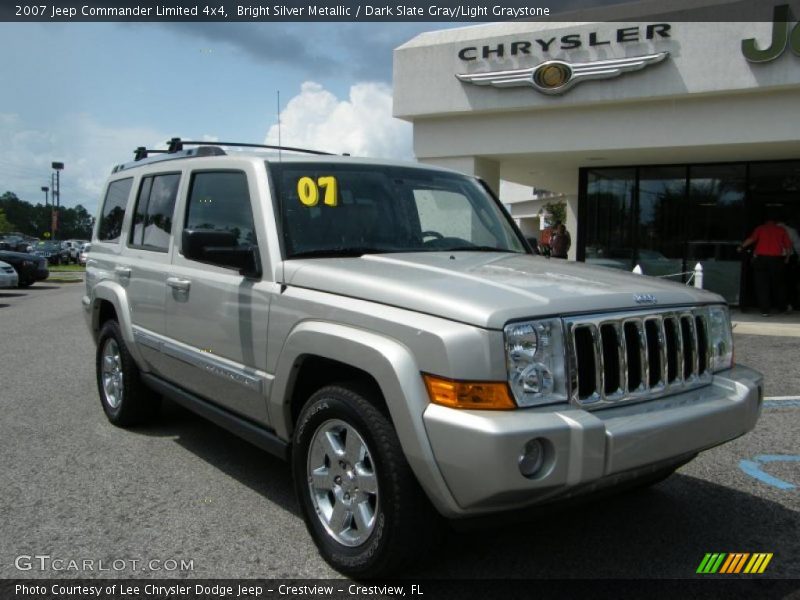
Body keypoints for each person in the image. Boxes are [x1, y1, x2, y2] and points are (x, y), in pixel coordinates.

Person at [738, 217, 792, 316]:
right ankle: (782, 308)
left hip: (761, 259)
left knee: (762, 285)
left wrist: (741, 247)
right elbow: (788, 246)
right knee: (779, 285)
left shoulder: (760, 228)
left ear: (765, 221)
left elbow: (752, 239)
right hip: (776, 259)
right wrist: (787, 258)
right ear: (775, 222)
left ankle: (764, 310)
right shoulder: (781, 230)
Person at [778, 220, 800, 310]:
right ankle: (791, 303)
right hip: (789, 258)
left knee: (777, 282)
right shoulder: (792, 230)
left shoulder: (773, 230)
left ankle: (780, 303)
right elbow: (798, 245)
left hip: (776, 257)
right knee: (790, 282)